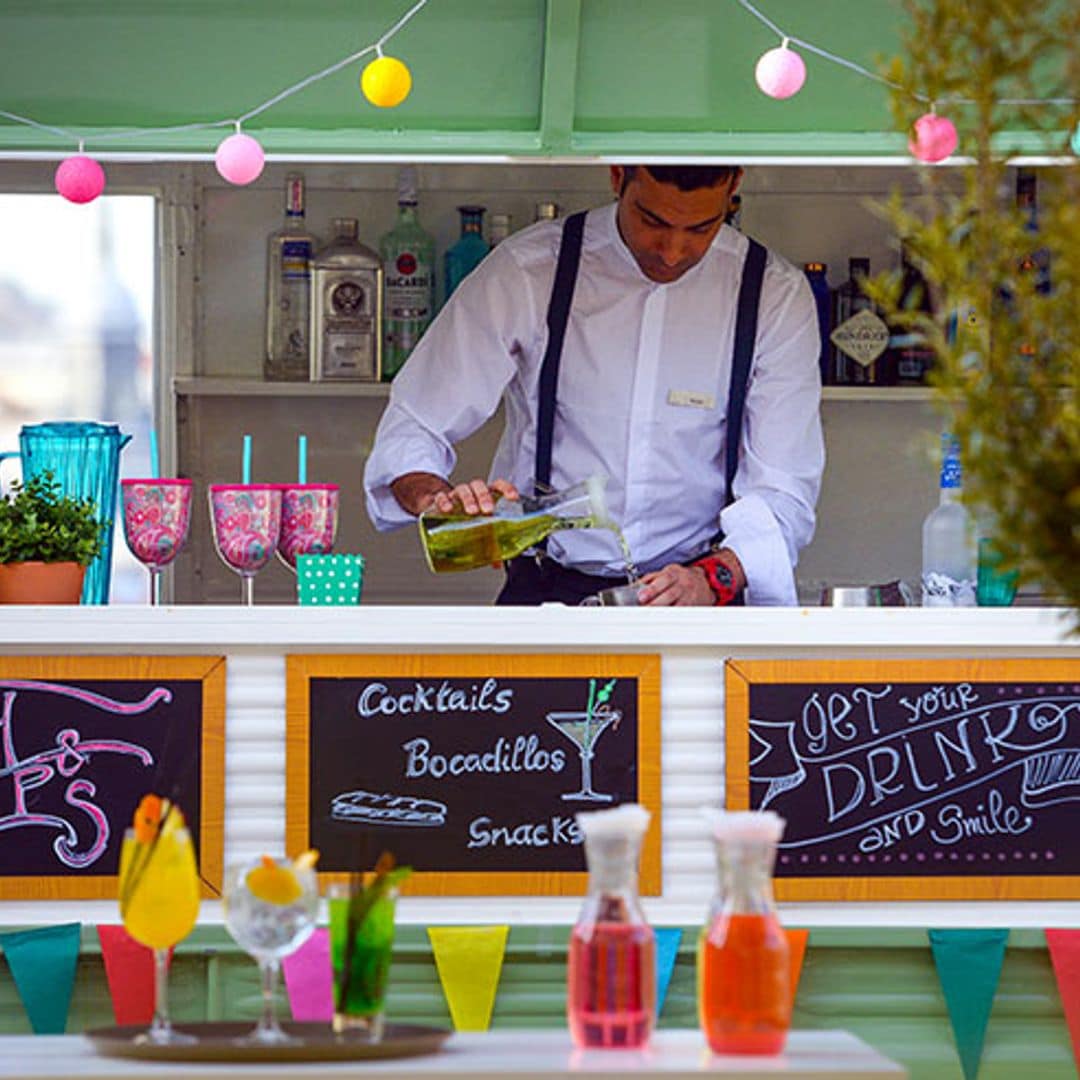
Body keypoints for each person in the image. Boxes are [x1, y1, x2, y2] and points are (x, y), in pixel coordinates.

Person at [364, 165, 824, 606]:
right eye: (652, 221)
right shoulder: (531, 269)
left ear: (733, 189)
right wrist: (436, 498)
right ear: (618, 176)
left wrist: (713, 577)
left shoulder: (772, 292)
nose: (671, 250)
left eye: (701, 228)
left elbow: (783, 491)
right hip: (547, 595)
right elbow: (416, 421)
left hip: (700, 596)